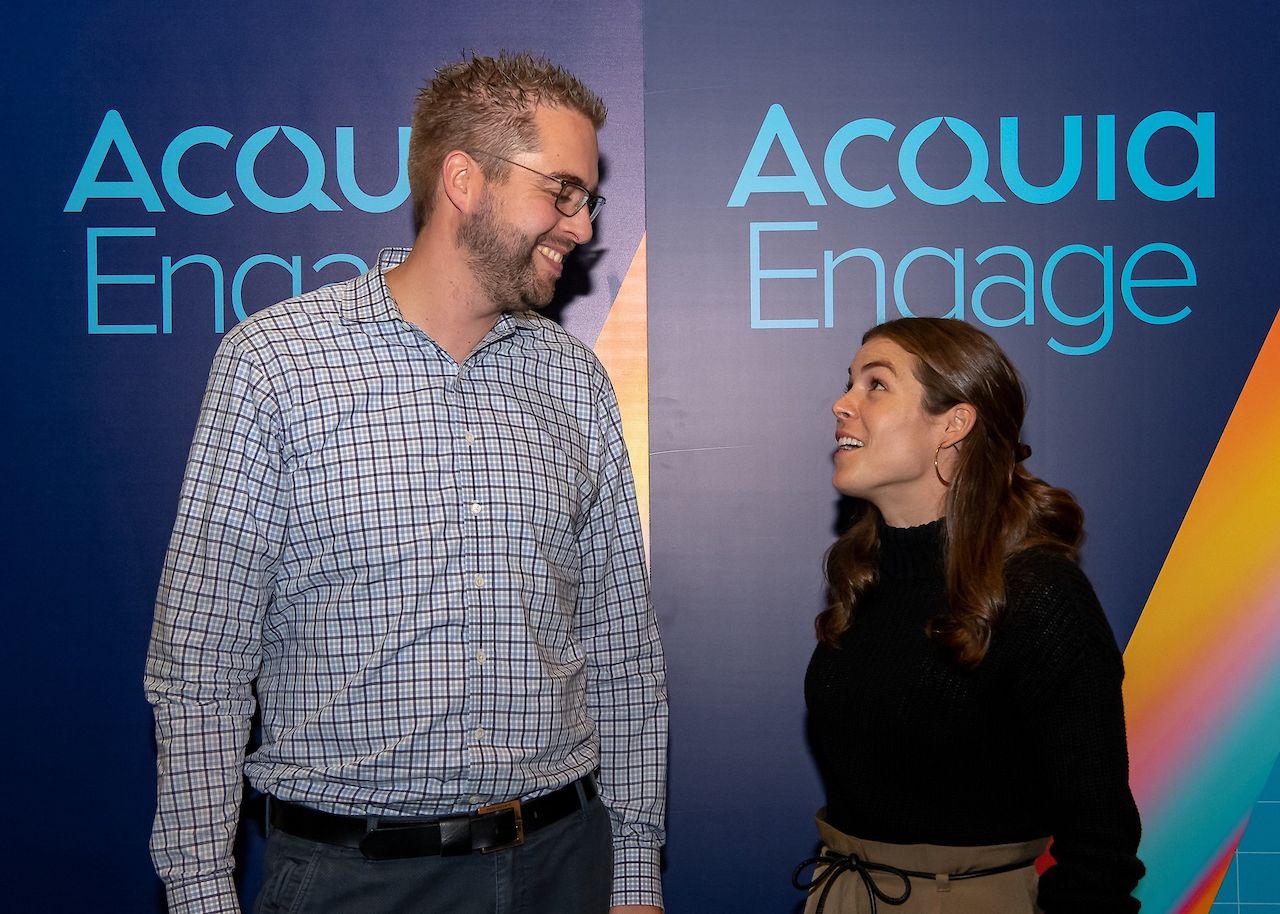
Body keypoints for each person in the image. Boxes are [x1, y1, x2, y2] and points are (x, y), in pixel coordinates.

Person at [145, 52, 666, 914]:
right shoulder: (276, 363)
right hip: (352, 883)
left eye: (588, 199)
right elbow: (201, 659)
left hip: (564, 867)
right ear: (466, 179)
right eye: (563, 191)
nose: (581, 226)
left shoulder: (575, 380)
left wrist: (636, 868)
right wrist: (201, 891)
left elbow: (623, 649)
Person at [796, 317, 1144, 913]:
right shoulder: (863, 581)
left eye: (875, 385)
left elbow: (1100, 846)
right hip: (843, 894)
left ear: (953, 424)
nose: (842, 404)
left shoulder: (1039, 593)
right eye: (849, 383)